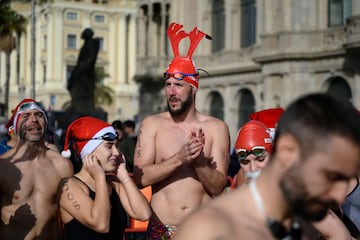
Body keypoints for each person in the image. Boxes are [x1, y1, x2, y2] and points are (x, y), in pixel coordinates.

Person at [174, 93, 360, 240]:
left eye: (260, 158)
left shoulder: (306, 204)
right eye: (245, 162)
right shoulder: (214, 220)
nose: (253, 168)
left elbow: (340, 235)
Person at [133, 22, 230, 239]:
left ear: (194, 87)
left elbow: (217, 188)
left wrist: (199, 163)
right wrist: (180, 158)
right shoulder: (152, 125)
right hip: (162, 230)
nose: (171, 92)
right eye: (167, 85)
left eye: (178, 85)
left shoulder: (217, 128)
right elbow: (140, 178)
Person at [58, 116, 151, 240]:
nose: (116, 152)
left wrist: (124, 176)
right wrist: (100, 178)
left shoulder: (115, 184)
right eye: (109, 146)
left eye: (116, 146)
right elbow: (101, 225)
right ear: (89, 151)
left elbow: (144, 214)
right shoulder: (68, 186)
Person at [0, 98, 74, 239]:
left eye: (39, 115)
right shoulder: (4, 167)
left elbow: (70, 217)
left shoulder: (61, 165)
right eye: (26, 116)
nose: (34, 119)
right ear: (15, 127)